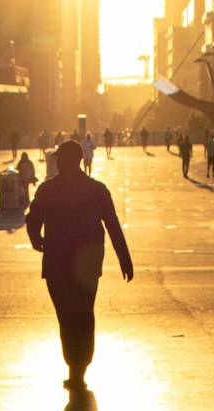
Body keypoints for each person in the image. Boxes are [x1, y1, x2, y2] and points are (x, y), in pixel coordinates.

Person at [25, 138, 133, 392]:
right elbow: (113, 225)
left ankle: (75, 367)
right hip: (87, 265)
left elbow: (32, 220)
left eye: (60, 159)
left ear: (67, 161)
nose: (59, 163)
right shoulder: (97, 190)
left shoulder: (47, 190)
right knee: (84, 314)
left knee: (67, 316)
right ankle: (79, 368)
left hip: (57, 264)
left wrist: (36, 240)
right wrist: (124, 258)